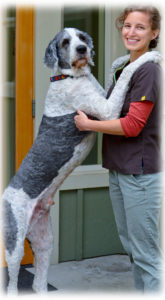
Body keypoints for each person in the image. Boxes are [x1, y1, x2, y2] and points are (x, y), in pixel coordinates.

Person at [74, 6, 162, 292]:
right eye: (127, 25)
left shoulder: (148, 70)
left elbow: (133, 125)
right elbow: (108, 110)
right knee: (133, 249)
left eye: (140, 27)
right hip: (119, 167)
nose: (131, 32)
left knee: (146, 255)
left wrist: (88, 126)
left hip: (139, 172)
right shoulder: (123, 67)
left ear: (154, 33)